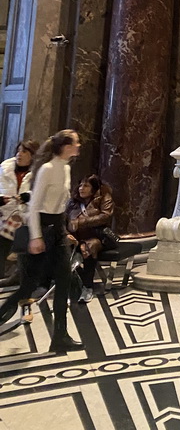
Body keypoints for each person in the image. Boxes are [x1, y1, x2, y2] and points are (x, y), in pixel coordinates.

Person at [0, 129, 82, 352]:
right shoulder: (47, 169)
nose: (79, 145)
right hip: (42, 229)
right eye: (75, 142)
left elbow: (61, 204)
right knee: (28, 285)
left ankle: (60, 337)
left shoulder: (65, 168)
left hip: (57, 229)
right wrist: (36, 237)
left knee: (64, 281)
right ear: (65, 146)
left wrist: (65, 228)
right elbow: (34, 205)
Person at [66, 175, 115, 303]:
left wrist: (81, 222)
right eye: (80, 185)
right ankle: (69, 285)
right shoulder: (73, 201)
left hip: (98, 237)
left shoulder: (104, 198)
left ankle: (88, 287)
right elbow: (64, 219)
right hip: (76, 236)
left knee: (87, 247)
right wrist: (66, 233)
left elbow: (105, 216)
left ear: (93, 189)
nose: (82, 188)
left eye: (86, 186)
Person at [0, 140, 38, 282]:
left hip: (26, 217)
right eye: (18, 151)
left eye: (24, 152)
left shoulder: (38, 172)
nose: (19, 154)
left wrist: (25, 197)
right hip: (4, 213)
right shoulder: (5, 169)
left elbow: (39, 195)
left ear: (32, 155)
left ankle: (18, 273)